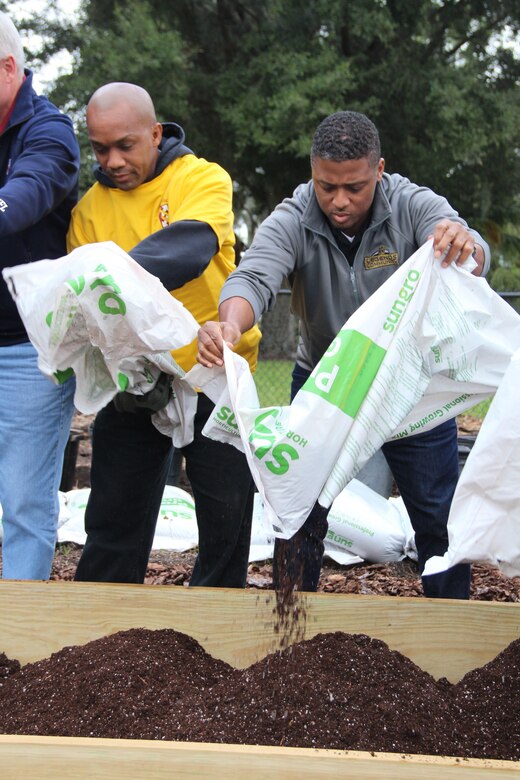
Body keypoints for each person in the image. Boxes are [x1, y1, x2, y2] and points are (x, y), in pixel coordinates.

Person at [197, 110, 490, 600]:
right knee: (300, 514)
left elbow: (468, 246)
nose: (338, 201)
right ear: (313, 172)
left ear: (379, 170)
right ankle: (293, 631)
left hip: (409, 387)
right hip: (324, 384)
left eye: (353, 187)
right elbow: (253, 277)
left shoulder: (412, 204)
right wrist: (230, 321)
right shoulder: (293, 218)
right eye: (325, 185)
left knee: (438, 520)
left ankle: (451, 627)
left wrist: (467, 246)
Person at [68, 82, 261, 587]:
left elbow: (190, 247)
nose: (111, 160)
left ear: (155, 133)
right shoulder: (88, 210)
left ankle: (214, 641)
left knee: (226, 524)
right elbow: (87, 309)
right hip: (136, 381)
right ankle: (99, 638)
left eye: (125, 145)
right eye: (100, 147)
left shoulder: (201, 178)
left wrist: (109, 273)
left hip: (215, 375)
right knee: (113, 523)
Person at [0, 12, 80, 579]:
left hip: (26, 352)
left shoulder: (49, 133)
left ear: (7, 68)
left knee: (25, 505)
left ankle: (17, 650)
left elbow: (20, 202)